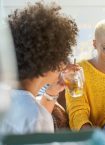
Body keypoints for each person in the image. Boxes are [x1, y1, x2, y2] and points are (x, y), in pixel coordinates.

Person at [0, 2, 78, 134]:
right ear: (47, 66)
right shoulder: (38, 117)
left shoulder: (6, 98)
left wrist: (52, 91)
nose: (64, 65)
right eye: (61, 59)